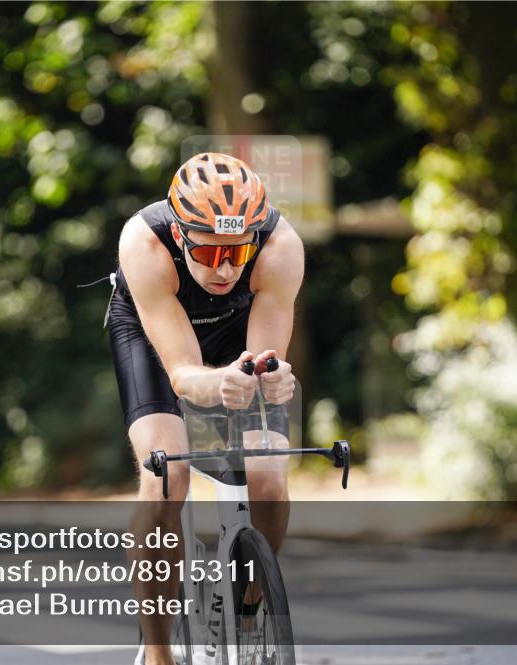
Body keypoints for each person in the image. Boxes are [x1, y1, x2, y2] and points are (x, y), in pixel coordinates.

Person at [107, 152, 304, 665]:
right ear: (179, 236)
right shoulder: (144, 242)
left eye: (237, 253)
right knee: (165, 477)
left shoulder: (281, 246)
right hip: (157, 339)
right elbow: (183, 376)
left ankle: (249, 608)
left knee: (268, 478)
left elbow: (264, 360)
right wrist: (218, 386)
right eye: (209, 252)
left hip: (237, 330)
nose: (224, 268)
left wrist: (273, 376)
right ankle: (157, 650)